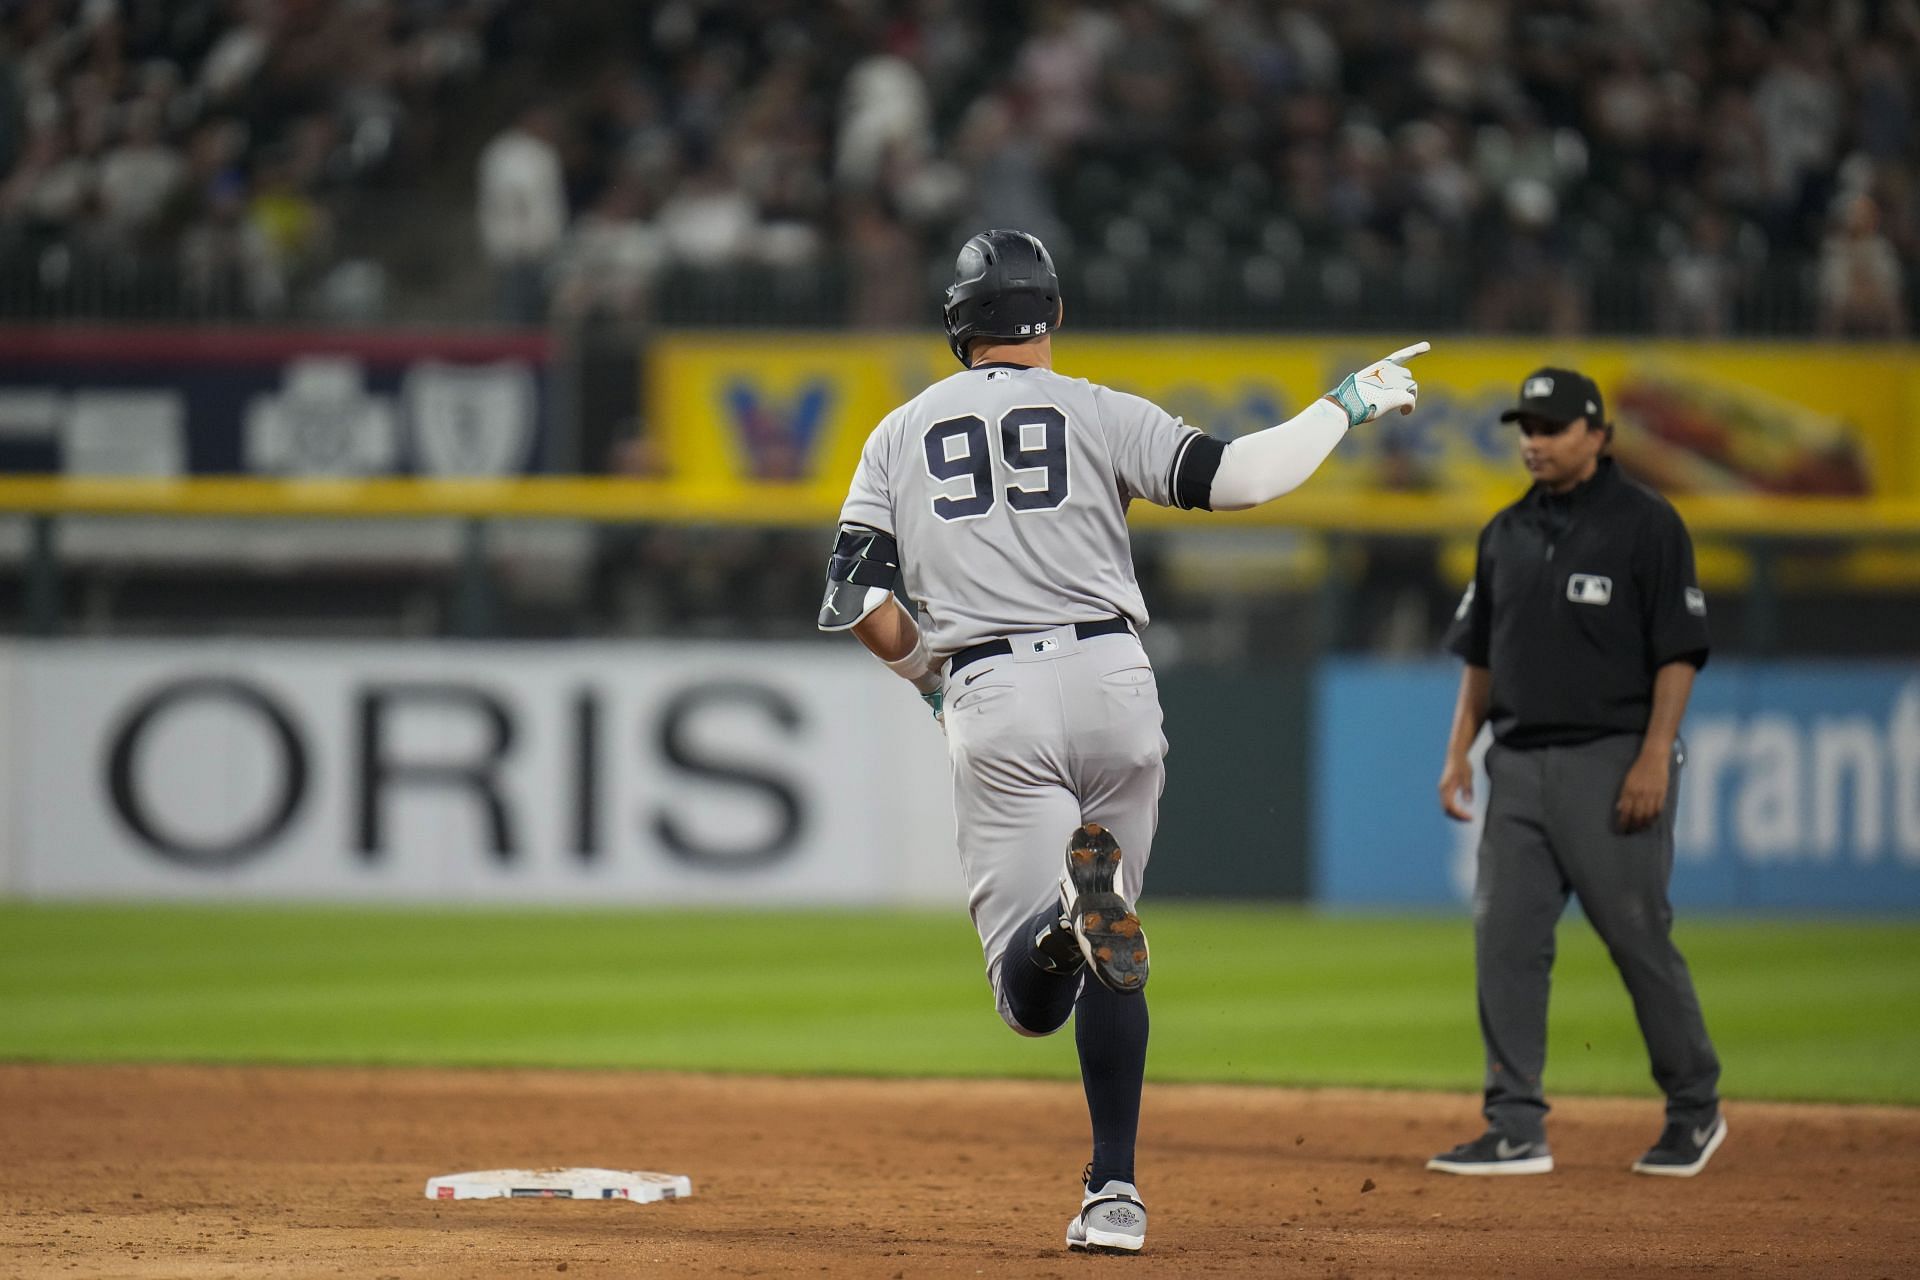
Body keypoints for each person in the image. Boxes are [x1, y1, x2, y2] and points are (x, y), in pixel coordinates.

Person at [817, 228, 1425, 1252]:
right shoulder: (1098, 408)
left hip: (993, 687)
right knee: (1121, 948)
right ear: (1051, 315)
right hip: (1115, 679)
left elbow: (858, 598)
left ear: (957, 327)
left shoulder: (899, 432)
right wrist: (1346, 403)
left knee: (1028, 999)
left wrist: (931, 679)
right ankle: (1115, 1189)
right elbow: (1238, 478)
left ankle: (1061, 927)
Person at [1431, 367, 1725, 1179]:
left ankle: (1695, 1110)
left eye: (1553, 426)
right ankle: (1515, 1125)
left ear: (1598, 435)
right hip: (1517, 767)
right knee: (1506, 942)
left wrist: (1655, 756)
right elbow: (1481, 658)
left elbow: (1678, 652)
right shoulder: (1503, 533)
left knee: (1637, 938)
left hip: (1611, 762)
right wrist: (1460, 750)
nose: (1535, 439)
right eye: (1527, 425)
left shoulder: (1648, 525)